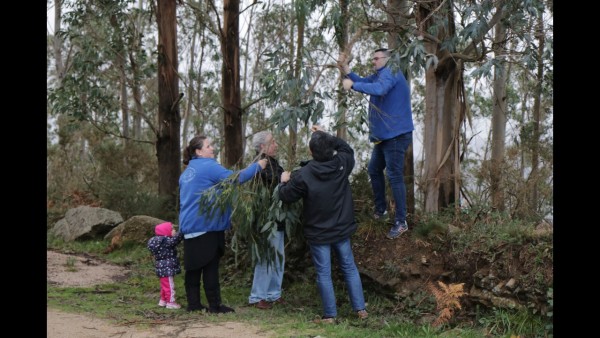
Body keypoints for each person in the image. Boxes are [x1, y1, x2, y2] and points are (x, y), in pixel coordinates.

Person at [278, 125, 368, 323]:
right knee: (349, 268)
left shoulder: (303, 174)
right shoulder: (342, 164)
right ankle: (360, 310)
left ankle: (330, 315)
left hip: (319, 233)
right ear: (331, 150)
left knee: (324, 273)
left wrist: (283, 181)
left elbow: (285, 195)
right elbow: (347, 149)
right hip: (341, 229)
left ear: (311, 152)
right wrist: (326, 136)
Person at [179, 135, 268, 313]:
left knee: (193, 268)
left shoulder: (188, 171)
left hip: (189, 225)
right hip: (207, 224)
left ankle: (194, 304)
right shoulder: (208, 166)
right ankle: (215, 305)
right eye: (208, 146)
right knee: (210, 266)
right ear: (199, 151)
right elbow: (235, 178)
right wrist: (257, 166)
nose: (213, 148)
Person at [338, 48, 415, 239]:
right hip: (385, 136)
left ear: (386, 60)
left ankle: (401, 221)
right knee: (374, 169)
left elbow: (379, 89)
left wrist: (352, 86)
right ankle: (381, 211)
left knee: (394, 176)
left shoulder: (391, 72)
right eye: (372, 58)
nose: (373, 61)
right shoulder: (381, 74)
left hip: (396, 135)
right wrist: (347, 71)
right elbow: (365, 82)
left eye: (376, 58)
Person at [248, 131, 286, 310]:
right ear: (262, 146)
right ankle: (258, 296)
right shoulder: (259, 164)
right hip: (265, 219)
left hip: (276, 218)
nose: (276, 145)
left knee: (278, 257)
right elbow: (269, 182)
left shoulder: (273, 162)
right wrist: (283, 178)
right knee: (266, 258)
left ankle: (273, 293)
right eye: (272, 142)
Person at [147, 221, 184, 309]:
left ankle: (163, 301)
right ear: (166, 231)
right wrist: (182, 231)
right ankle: (171, 302)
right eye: (172, 229)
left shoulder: (158, 242)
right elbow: (175, 240)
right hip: (167, 267)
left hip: (161, 267)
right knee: (170, 286)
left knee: (165, 286)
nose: (174, 230)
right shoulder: (165, 241)